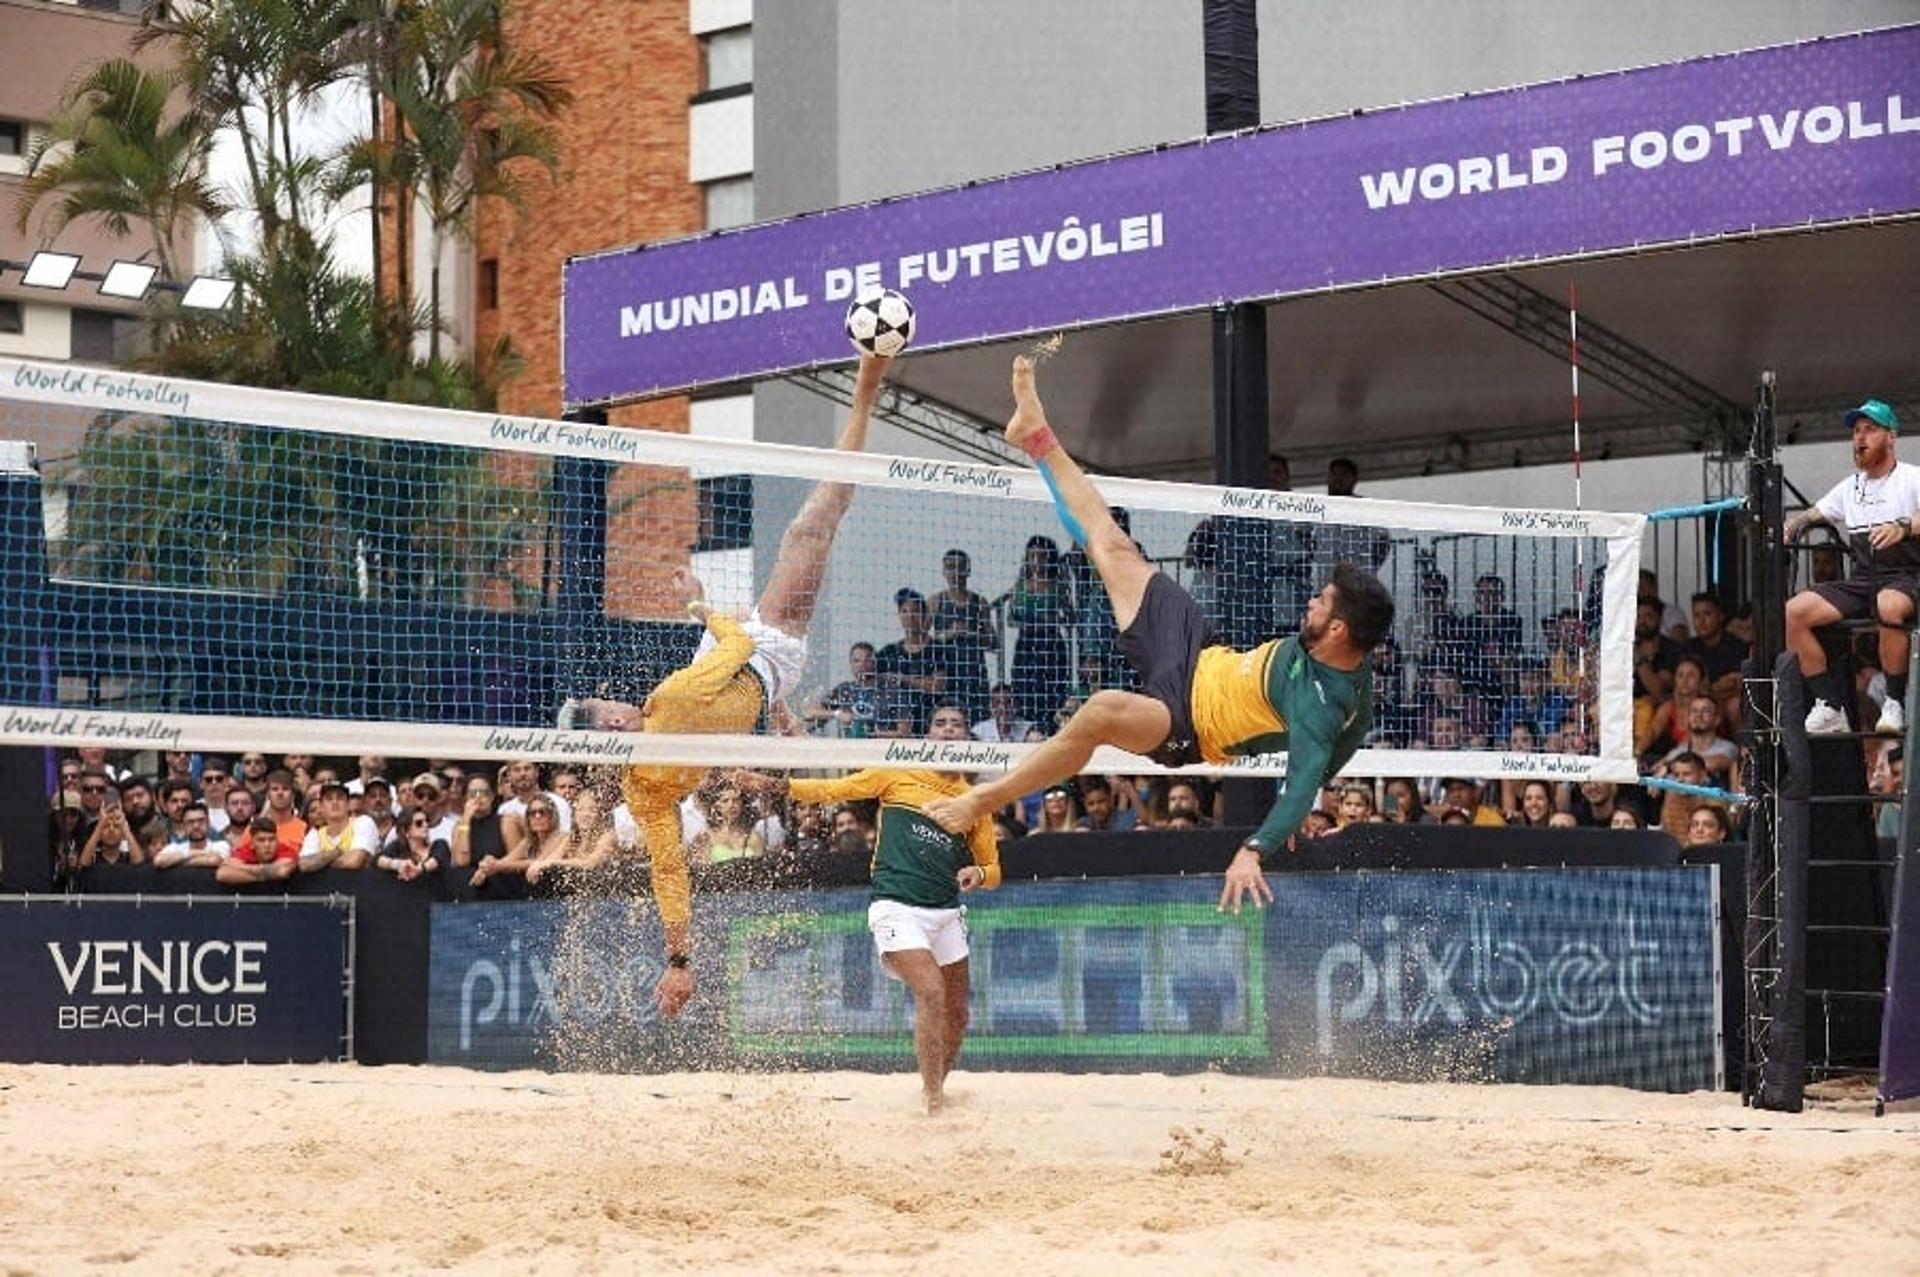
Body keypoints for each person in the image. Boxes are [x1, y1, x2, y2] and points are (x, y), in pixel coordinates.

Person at [925, 356, 1393, 915]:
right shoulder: (1351, 683)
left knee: (1099, 711)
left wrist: (1257, 846)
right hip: (1199, 654)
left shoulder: (1320, 704)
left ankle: (983, 798)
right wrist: (1316, 803)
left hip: (1186, 725)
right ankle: (1037, 435)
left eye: (1322, 602)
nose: (1311, 600)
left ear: (1338, 627)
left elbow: (1304, 774)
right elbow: (1341, 746)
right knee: (1114, 546)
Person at [560, 351, 893, 1017]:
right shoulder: (668, 712)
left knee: (818, 522)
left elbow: (669, 873)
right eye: (604, 708)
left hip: (738, 680)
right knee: (815, 519)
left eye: (601, 702)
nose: (612, 703)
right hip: (760, 654)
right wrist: (698, 606)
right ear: (617, 726)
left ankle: (866, 393)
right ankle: (868, 384)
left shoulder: (643, 785)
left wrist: (679, 960)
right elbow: (738, 640)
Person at [734, 703, 1000, 1115]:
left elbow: (994, 868)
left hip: (946, 911)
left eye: (957, 725)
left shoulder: (974, 800)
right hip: (897, 906)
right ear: (928, 735)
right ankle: (932, 1102)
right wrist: (780, 787)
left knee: (959, 1014)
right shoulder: (898, 773)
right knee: (930, 991)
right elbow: (835, 789)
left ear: (968, 738)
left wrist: (978, 875)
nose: (949, 731)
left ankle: (937, 1088)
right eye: (940, 724)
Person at [1784, 399, 1920, 734]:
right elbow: (1818, 512)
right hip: (1864, 579)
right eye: (1856, 431)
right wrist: (1794, 524)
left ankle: (1894, 702)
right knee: (1791, 613)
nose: (1860, 437)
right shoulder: (1851, 486)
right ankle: (1830, 706)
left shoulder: (1912, 478)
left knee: (1886, 603)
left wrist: (1903, 527)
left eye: (1869, 430)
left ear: (1890, 437)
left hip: (1909, 576)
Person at [929, 548, 996, 724]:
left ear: (968, 570)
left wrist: (972, 634)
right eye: (950, 567)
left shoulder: (979, 603)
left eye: (960, 567)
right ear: (944, 572)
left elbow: (993, 642)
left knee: (977, 721)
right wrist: (949, 634)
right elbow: (921, 639)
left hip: (974, 673)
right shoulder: (936, 601)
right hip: (947, 672)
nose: (955, 573)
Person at [376, 805, 449, 883]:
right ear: (406, 830)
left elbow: (436, 860)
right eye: (419, 823)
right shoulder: (396, 847)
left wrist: (419, 869)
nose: (425, 825)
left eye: (427, 821)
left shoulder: (439, 845)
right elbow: (378, 860)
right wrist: (398, 864)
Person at [153, 802, 230, 869]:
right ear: (183, 826)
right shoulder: (175, 847)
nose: (196, 826)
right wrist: (192, 853)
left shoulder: (221, 845)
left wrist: (174, 862)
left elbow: (213, 861)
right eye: (190, 822)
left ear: (208, 823)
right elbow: (158, 861)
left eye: (201, 820)